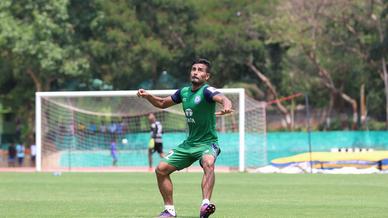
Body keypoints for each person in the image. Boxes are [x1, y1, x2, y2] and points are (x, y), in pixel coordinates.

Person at [137, 58, 233, 218]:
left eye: (200, 70)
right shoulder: (184, 92)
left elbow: (223, 98)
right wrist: (148, 96)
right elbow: (161, 103)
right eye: (194, 68)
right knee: (161, 170)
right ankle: (169, 210)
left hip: (208, 143)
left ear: (207, 76)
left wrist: (227, 105)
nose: (196, 72)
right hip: (189, 144)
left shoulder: (207, 91)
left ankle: (205, 205)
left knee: (208, 163)